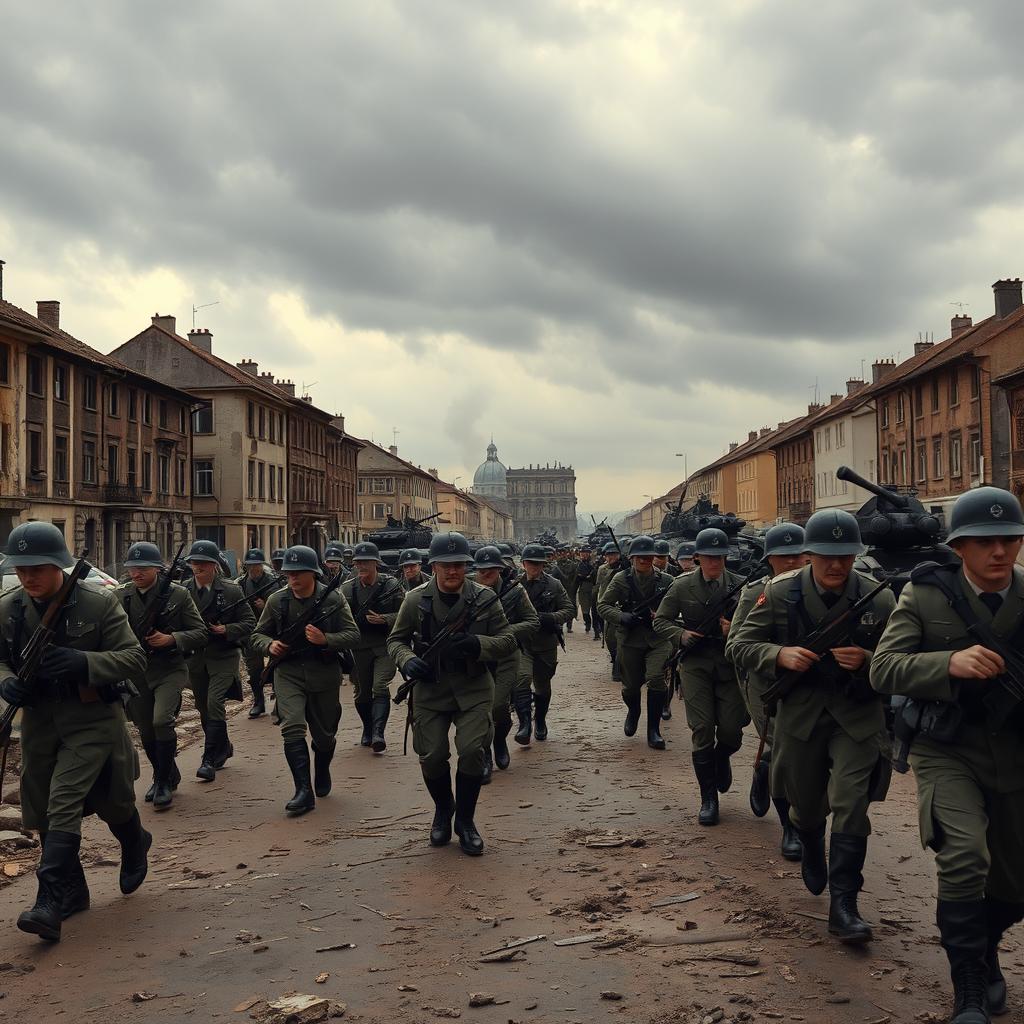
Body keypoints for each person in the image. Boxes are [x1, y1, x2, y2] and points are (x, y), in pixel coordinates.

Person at [871, 487, 1024, 1021]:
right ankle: (969, 989)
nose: (999, 552)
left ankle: (983, 946)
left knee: (1014, 883)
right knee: (963, 857)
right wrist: (947, 665)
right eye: (984, 541)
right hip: (948, 747)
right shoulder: (926, 596)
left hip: (1016, 751)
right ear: (960, 546)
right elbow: (883, 669)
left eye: (1008, 539)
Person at [729, 510, 895, 947]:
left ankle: (845, 905)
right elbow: (742, 646)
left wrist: (867, 660)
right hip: (800, 715)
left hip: (856, 715)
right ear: (810, 555)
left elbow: (902, 659)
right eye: (826, 556)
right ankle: (808, 838)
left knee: (851, 802)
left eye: (845, 555)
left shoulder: (878, 598)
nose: (836, 565)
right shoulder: (779, 593)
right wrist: (779, 656)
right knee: (804, 803)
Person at [0, 522, 150, 943]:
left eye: (38, 568)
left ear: (59, 566)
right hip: (40, 720)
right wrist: (6, 682)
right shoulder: (9, 608)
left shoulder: (98, 603)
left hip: (92, 717)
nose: (29, 577)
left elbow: (133, 658)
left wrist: (83, 663)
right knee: (41, 803)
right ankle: (71, 890)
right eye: (22, 568)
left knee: (81, 801)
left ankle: (48, 899)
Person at [387, 532, 516, 855]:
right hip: (431, 689)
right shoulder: (416, 599)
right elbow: (396, 641)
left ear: (466, 567)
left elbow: (507, 641)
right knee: (431, 755)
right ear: (434, 567)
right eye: (446, 565)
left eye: (459, 565)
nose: (453, 571)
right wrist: (409, 661)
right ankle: (444, 809)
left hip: (473, 686)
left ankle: (466, 821)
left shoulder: (484, 598)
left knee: (472, 750)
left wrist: (478, 645)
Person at [251, 545, 360, 816]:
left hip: (323, 672)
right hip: (288, 673)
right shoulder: (278, 601)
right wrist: (270, 645)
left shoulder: (332, 599)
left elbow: (353, 634)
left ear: (313, 574)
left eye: (299, 573)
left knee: (324, 737)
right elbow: (256, 636)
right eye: (289, 574)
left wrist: (327, 640)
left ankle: (321, 768)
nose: (293, 579)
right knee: (292, 727)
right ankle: (303, 791)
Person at [653, 528, 749, 825]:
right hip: (695, 664)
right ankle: (709, 798)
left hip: (728, 662)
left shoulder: (740, 586)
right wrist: (681, 635)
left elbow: (753, 629)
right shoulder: (682, 586)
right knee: (702, 728)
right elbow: (661, 621)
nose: (715, 563)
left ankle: (722, 757)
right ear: (697, 558)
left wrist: (731, 629)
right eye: (709, 557)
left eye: (720, 557)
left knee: (733, 730)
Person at [724, 523, 806, 859]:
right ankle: (791, 826)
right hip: (766, 683)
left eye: (797, 555)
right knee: (781, 748)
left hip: (811, 682)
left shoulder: (823, 591)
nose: (790, 562)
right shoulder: (756, 592)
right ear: (769, 559)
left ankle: (762, 770)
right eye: (782, 556)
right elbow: (736, 645)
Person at [119, 542, 207, 810]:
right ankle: (164, 774)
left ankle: (163, 782)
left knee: (161, 721)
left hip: (169, 668)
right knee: (145, 728)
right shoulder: (120, 597)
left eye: (142, 568)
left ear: (157, 569)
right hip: (137, 671)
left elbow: (200, 632)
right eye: (132, 568)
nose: (136, 574)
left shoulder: (178, 595)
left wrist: (171, 638)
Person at [183, 540, 256, 783]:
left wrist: (227, 628)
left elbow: (249, 623)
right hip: (196, 658)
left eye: (203, 563)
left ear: (214, 566)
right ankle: (223, 746)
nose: (198, 567)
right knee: (203, 707)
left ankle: (208, 759)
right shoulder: (183, 591)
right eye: (194, 562)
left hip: (223, 656)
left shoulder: (231, 591)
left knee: (215, 702)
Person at [598, 535, 675, 749]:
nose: (644, 561)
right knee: (630, 687)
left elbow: (678, 609)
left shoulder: (666, 581)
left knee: (656, 677)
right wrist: (622, 617)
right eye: (640, 557)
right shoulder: (621, 579)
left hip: (658, 639)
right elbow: (603, 605)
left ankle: (653, 730)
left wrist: (661, 615)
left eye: (649, 557)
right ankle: (633, 711)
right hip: (630, 639)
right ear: (632, 558)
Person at [471, 546, 538, 780]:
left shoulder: (514, 590)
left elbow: (532, 621)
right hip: (476, 657)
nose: (486, 573)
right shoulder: (467, 589)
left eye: (492, 569)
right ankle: (485, 755)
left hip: (507, 656)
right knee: (480, 712)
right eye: (482, 569)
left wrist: (505, 631)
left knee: (498, 707)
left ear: (500, 568)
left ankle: (499, 741)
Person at [340, 542, 405, 752]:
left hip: (385, 646)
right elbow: (338, 619)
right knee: (362, 693)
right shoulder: (347, 589)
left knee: (380, 687)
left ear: (376, 563)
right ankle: (367, 729)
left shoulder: (391, 585)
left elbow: (407, 615)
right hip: (358, 649)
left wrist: (385, 619)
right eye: (358, 562)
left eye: (366, 562)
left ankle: (378, 732)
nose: (361, 566)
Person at [515, 543, 574, 742]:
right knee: (521, 680)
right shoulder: (514, 584)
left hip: (545, 643)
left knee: (542, 686)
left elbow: (569, 610)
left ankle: (540, 719)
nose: (534, 567)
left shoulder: (553, 584)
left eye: (538, 564)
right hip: (522, 643)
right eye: (531, 563)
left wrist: (552, 618)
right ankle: (524, 724)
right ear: (523, 563)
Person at [236, 547, 280, 719]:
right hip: (250, 632)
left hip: (272, 631)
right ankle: (258, 701)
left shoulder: (274, 582)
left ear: (262, 566)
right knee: (254, 670)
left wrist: (267, 604)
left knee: (276, 666)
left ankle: (280, 701)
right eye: (250, 565)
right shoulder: (240, 583)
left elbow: (281, 607)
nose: (254, 569)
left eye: (257, 565)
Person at [595, 542, 624, 679]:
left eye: (614, 554)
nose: (612, 557)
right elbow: (604, 584)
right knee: (610, 639)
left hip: (623, 605)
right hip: (608, 604)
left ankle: (619, 668)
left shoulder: (625, 567)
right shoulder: (603, 569)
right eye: (609, 555)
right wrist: (616, 569)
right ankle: (614, 657)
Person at [574, 547, 597, 634]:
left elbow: (594, 576)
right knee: (585, 610)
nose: (584, 555)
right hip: (583, 588)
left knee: (595, 609)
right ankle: (588, 624)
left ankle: (596, 627)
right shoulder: (578, 565)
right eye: (582, 554)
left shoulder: (594, 564)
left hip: (593, 588)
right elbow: (578, 576)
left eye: (586, 553)